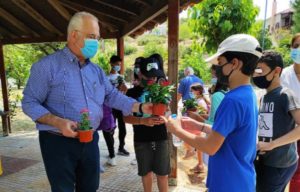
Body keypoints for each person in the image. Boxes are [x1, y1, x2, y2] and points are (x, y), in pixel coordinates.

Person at [22, 12, 152, 192]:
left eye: (98, 38)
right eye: (92, 37)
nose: (96, 43)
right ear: (74, 35)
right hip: (57, 142)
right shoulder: (47, 66)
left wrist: (140, 106)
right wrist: (58, 122)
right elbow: (29, 102)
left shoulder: (96, 71)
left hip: (90, 139)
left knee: (90, 187)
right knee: (63, 189)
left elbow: (112, 95)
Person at [163, 34, 262, 192]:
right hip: (240, 181)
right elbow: (230, 133)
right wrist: (200, 126)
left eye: (220, 63)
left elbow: (210, 146)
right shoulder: (247, 94)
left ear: (234, 63)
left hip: (228, 184)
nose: (217, 70)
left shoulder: (232, 100)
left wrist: (176, 130)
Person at [252, 51, 300, 192]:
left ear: (276, 71)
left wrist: (272, 144)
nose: (257, 75)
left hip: (280, 164)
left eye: (261, 70)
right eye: (256, 71)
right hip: (267, 161)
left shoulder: (286, 95)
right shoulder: (264, 97)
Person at [123, 57, 170, 192]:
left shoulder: (161, 90)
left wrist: (164, 118)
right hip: (141, 139)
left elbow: (168, 111)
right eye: (149, 76)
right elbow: (126, 118)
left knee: (162, 174)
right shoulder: (131, 93)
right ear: (141, 74)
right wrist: (142, 121)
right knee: (146, 173)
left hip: (161, 137)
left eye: (155, 76)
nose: (153, 79)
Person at [281, 33, 300, 192]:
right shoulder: (284, 74)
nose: (299, 50)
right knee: (295, 174)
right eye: (296, 46)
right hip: (289, 132)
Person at [103, 55, 129, 167]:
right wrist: (116, 89)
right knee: (110, 129)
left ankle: (121, 147)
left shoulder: (121, 77)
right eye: (117, 64)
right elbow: (105, 93)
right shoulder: (106, 78)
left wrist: (125, 89)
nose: (118, 66)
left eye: (120, 64)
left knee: (123, 128)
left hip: (120, 106)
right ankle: (111, 152)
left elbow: (125, 92)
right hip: (110, 107)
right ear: (111, 64)